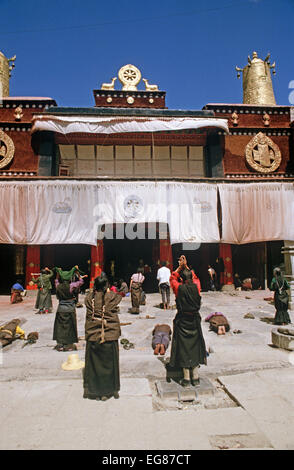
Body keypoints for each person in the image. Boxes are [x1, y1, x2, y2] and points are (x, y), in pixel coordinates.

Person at [83, 273, 122, 401]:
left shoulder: (89, 298)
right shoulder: (112, 297)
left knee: (94, 364)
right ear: (107, 286)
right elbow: (118, 296)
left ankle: (95, 390)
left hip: (93, 335)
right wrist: (108, 290)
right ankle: (109, 390)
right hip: (109, 335)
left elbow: (89, 295)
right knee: (110, 363)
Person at [169, 257, 207, 387]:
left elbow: (172, 279)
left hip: (183, 320)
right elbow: (195, 278)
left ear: (182, 279)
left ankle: (186, 378)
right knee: (195, 345)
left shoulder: (179, 288)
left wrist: (179, 268)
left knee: (184, 347)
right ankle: (195, 377)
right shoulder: (197, 286)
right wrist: (187, 267)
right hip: (194, 320)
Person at [53, 273, 87, 351]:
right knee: (70, 326)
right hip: (70, 308)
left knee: (60, 326)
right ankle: (69, 344)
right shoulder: (72, 285)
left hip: (61, 308)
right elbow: (81, 282)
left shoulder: (58, 285)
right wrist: (78, 275)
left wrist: (57, 275)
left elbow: (56, 280)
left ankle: (60, 344)